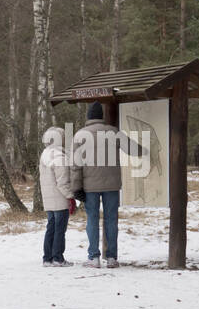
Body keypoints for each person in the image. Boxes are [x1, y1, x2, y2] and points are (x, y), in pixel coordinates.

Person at [71, 101, 140, 268]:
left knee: (92, 220)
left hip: (90, 186)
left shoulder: (80, 135)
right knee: (111, 220)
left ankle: (93, 257)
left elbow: (75, 165)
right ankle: (111, 258)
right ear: (101, 117)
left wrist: (76, 187)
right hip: (112, 185)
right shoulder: (113, 132)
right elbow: (135, 150)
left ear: (88, 117)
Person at [38, 125, 76, 267]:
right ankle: (58, 258)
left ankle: (47, 258)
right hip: (59, 198)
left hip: (48, 198)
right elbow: (62, 182)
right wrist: (70, 197)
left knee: (51, 227)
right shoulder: (60, 157)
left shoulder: (45, 155)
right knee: (60, 229)